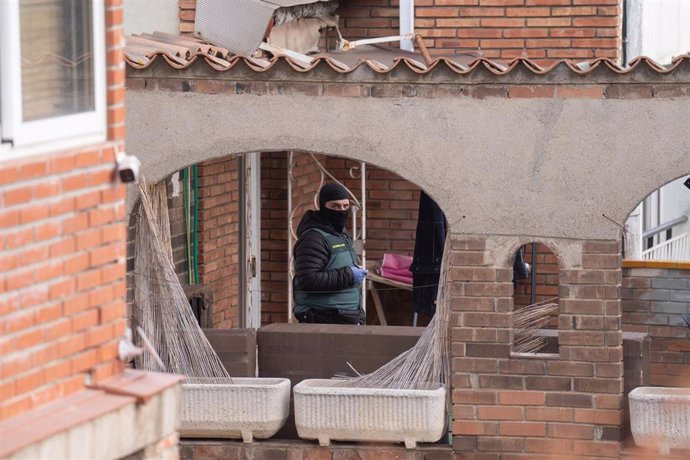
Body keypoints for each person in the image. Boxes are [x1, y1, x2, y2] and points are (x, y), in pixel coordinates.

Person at [293, 183, 368, 324]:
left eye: (345, 206)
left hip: (345, 315)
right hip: (323, 317)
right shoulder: (313, 238)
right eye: (335, 206)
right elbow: (308, 279)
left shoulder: (339, 234)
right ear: (323, 206)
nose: (341, 211)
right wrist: (349, 275)